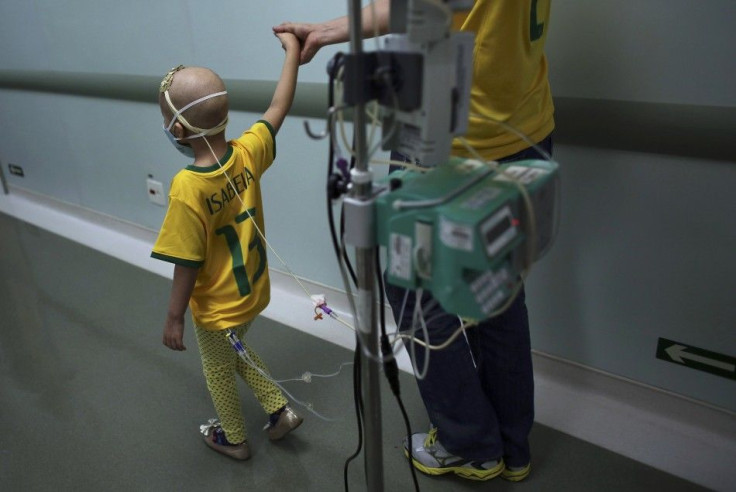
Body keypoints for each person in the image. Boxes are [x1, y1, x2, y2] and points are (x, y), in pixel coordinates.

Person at [275, 0, 553, 482]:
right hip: (523, 121)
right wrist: (328, 28)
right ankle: (512, 445)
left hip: (450, 130)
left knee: (417, 288)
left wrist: (329, 32)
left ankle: (468, 443)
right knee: (498, 291)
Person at [151, 31, 302, 461]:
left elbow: (187, 262)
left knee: (217, 366)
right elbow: (278, 106)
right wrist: (292, 52)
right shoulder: (247, 153)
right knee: (237, 351)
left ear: (177, 129)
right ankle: (278, 410)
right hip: (253, 293)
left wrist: (174, 316)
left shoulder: (187, 188)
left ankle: (233, 438)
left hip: (216, 308)